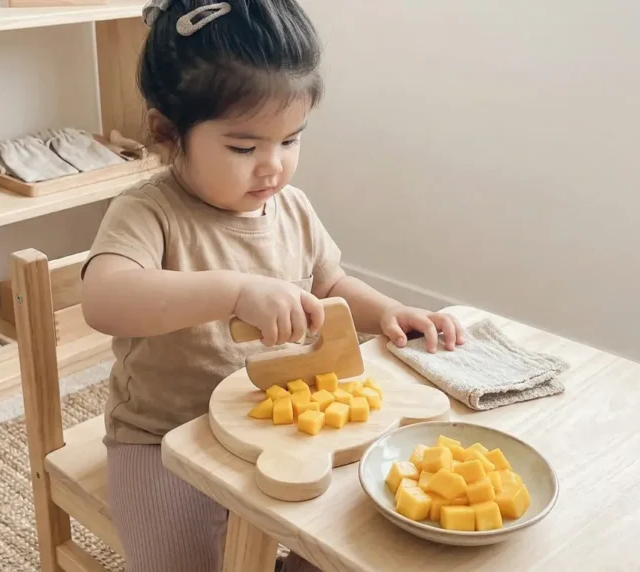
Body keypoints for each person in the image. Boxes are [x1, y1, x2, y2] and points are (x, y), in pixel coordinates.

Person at [79, 1, 466, 570]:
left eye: (290, 141)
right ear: (167, 132)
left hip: (277, 419)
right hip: (166, 435)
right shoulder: (148, 212)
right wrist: (235, 292)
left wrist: (388, 311)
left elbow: (331, 282)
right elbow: (104, 299)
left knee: (355, 535)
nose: (273, 167)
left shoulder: (292, 207)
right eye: (244, 148)